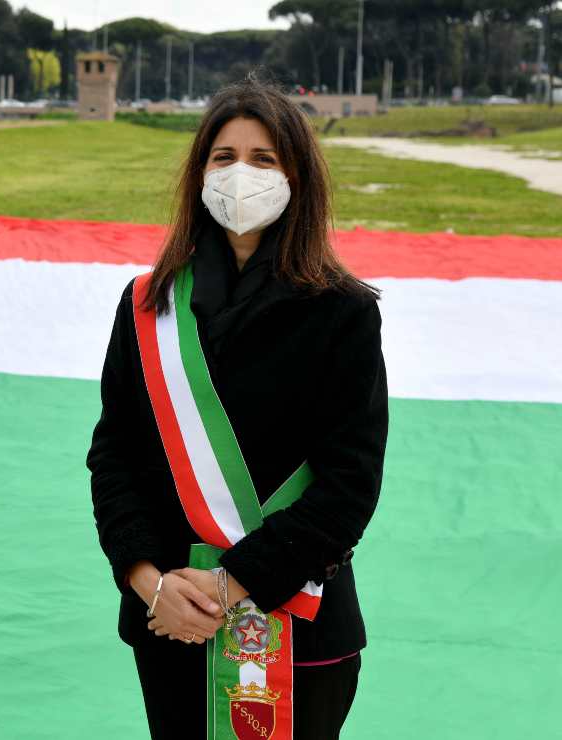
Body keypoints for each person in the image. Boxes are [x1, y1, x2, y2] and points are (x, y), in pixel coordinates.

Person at [87, 78, 387, 740]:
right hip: (171, 621)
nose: (240, 174)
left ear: (296, 177)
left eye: (264, 158)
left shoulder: (344, 313)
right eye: (223, 157)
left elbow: (348, 488)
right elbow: (115, 460)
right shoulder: (146, 306)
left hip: (299, 621)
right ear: (199, 174)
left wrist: (230, 587)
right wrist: (149, 583)